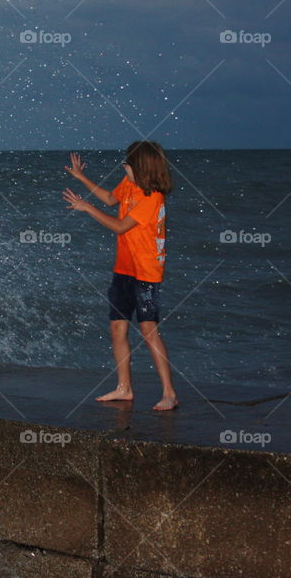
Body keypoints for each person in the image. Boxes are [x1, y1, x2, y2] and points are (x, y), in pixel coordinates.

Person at [63, 141, 178, 411]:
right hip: (124, 268)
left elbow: (120, 227)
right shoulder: (129, 184)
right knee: (118, 328)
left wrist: (86, 208)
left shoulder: (152, 197)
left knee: (148, 330)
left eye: (128, 162)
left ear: (142, 167)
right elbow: (109, 198)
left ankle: (169, 393)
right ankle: (124, 388)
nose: (124, 165)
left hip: (146, 272)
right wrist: (81, 177)